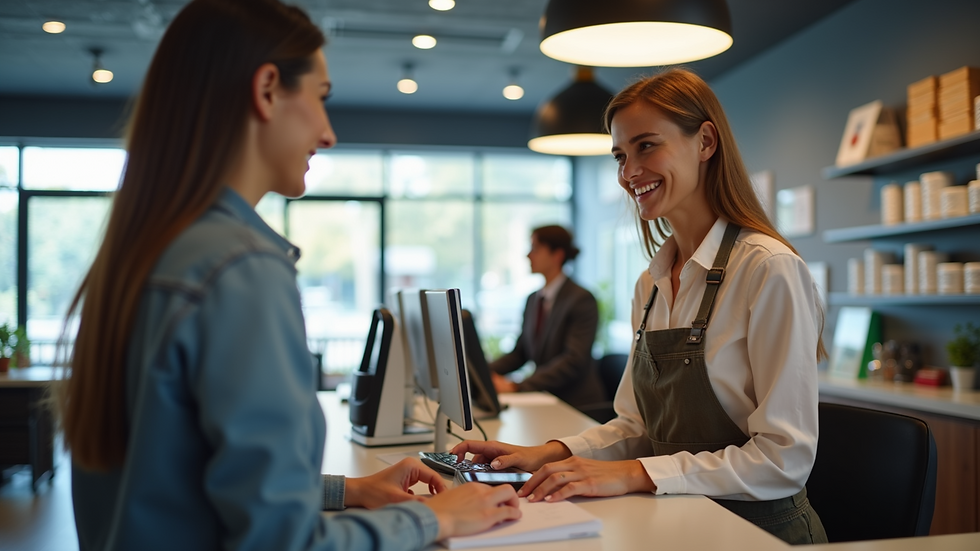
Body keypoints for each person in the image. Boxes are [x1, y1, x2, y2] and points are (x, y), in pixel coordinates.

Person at [55, 1, 520, 550]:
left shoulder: (151, 249)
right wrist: (439, 518)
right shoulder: (240, 267)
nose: (328, 134)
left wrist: (344, 490)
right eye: (321, 98)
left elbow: (175, 477)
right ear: (268, 88)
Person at [453, 68, 829, 545]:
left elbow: (784, 460)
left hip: (760, 532)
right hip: (680, 521)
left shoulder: (769, 270)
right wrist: (545, 453)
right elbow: (637, 425)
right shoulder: (649, 284)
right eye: (620, 156)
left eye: (646, 146)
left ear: (706, 142)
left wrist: (636, 474)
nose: (628, 173)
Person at [489, 225, 605, 411]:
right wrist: (484, 371)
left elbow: (573, 360)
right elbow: (521, 352)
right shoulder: (533, 299)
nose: (528, 255)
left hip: (576, 405)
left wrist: (517, 386)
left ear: (557, 255)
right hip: (544, 399)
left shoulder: (581, 299)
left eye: (535, 248)